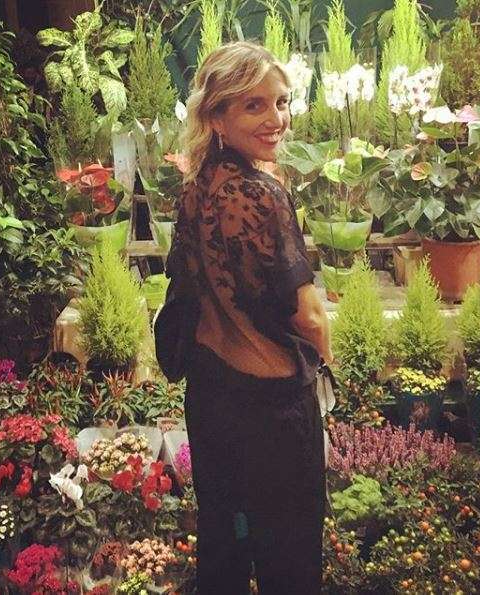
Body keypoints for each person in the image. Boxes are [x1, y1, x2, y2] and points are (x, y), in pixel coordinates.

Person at [171, 40, 333, 595]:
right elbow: (309, 316)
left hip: (212, 396)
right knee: (290, 561)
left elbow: (192, 288)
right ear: (216, 116)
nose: (276, 119)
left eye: (281, 102)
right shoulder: (262, 194)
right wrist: (328, 372)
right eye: (254, 105)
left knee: (224, 545)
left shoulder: (195, 188)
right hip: (271, 411)